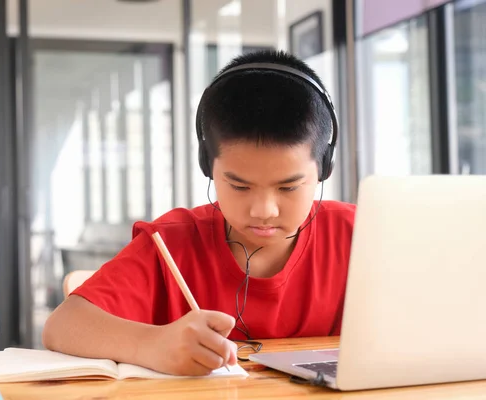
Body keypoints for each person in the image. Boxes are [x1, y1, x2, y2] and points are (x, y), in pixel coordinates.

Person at [42, 49, 356, 377]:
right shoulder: (172, 243)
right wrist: (151, 344)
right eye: (239, 186)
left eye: (289, 187)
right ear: (208, 164)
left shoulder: (360, 235)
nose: (264, 210)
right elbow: (62, 326)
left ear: (325, 166)